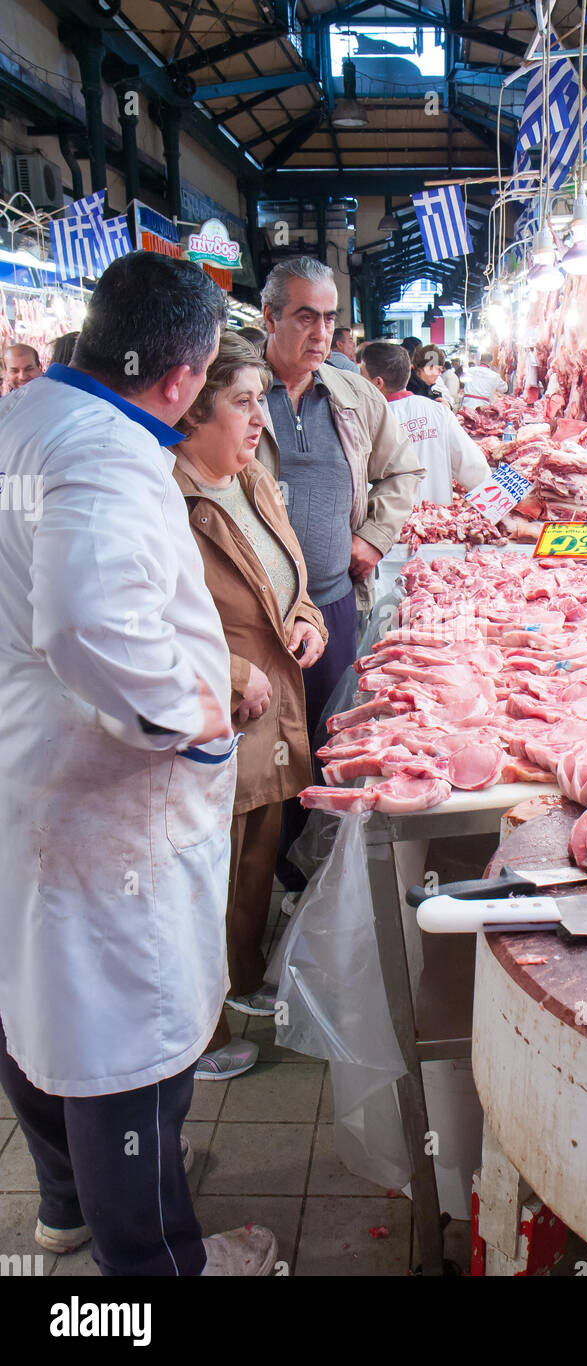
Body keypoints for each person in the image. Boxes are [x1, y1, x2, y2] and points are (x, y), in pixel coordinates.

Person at [0, 251, 277, 1277]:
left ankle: (68, 1206)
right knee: (125, 1052)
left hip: (33, 785)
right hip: (101, 809)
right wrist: (194, 718)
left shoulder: (24, 417)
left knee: (44, 1010)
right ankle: (160, 1273)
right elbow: (85, 624)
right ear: (179, 379)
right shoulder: (107, 453)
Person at [173, 332, 327, 1077]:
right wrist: (232, 671)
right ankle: (194, 1033)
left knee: (256, 864)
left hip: (273, 710)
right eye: (242, 401)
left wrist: (308, 618)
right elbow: (152, 620)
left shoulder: (253, 476)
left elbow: (290, 572)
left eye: (261, 398)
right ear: (195, 410)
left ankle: (241, 980)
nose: (259, 415)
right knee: (206, 876)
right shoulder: (168, 496)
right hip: (216, 717)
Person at [257, 256, 423, 746]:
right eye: (306, 317)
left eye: (330, 319)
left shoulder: (352, 394)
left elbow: (403, 469)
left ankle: (324, 826)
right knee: (264, 754)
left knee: (329, 741)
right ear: (270, 317)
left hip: (334, 605)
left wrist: (374, 537)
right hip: (257, 617)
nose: (321, 333)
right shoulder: (236, 392)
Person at [361, 341, 490, 506]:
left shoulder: (370, 421)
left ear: (377, 383)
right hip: (435, 523)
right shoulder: (438, 412)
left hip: (388, 526)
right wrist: (497, 508)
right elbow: (474, 468)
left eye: (362, 377)